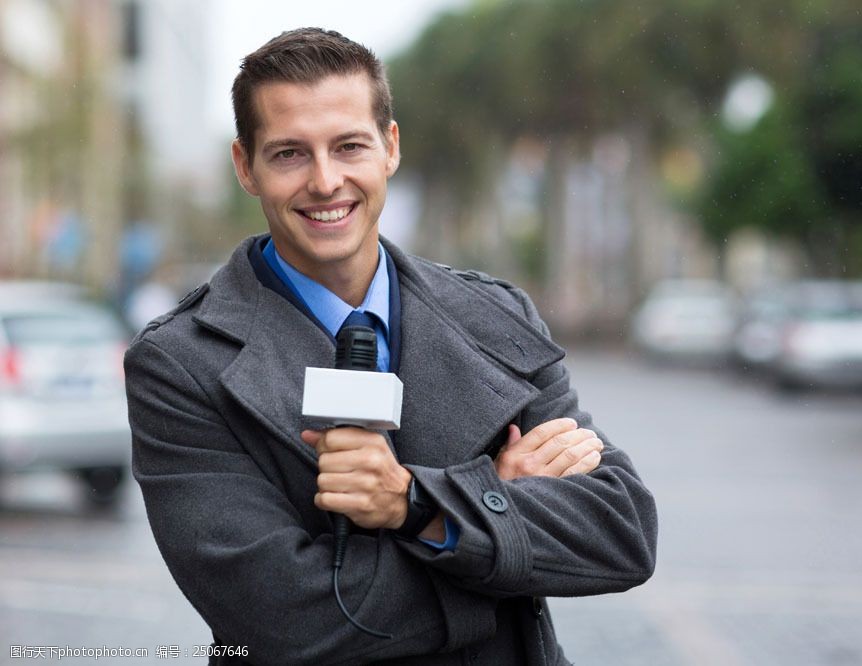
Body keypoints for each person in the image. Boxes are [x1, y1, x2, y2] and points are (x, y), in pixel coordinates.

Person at [125, 27, 657, 666]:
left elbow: (621, 533)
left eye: (349, 146)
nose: (326, 182)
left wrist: (417, 506)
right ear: (245, 167)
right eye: (290, 153)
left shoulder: (496, 313)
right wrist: (494, 514)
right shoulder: (180, 363)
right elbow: (285, 625)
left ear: (390, 148)